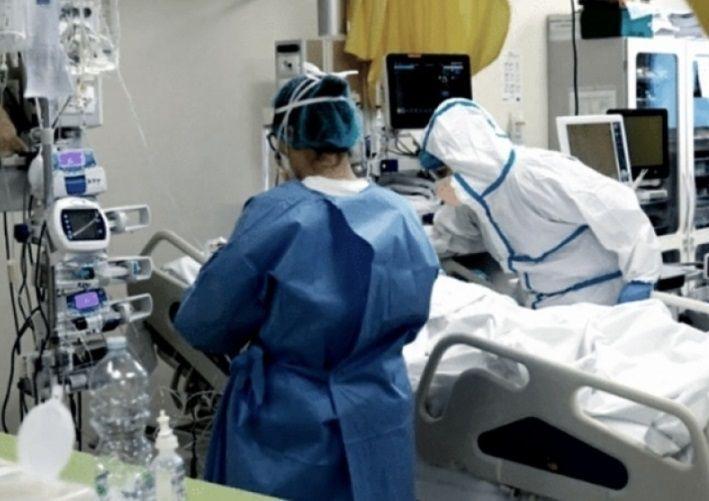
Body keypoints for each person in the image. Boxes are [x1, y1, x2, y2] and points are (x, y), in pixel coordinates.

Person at [174, 72, 440, 500]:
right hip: (379, 414)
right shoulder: (400, 213)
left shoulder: (276, 214)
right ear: (349, 134)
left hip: (292, 427)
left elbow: (205, 323)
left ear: (287, 139)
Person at [419, 98, 662, 309]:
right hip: (550, 307)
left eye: (443, 170)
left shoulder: (535, 173)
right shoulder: (477, 199)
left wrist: (641, 278)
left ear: (463, 160)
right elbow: (449, 235)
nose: (442, 181)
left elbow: (617, 206)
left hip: (603, 299)